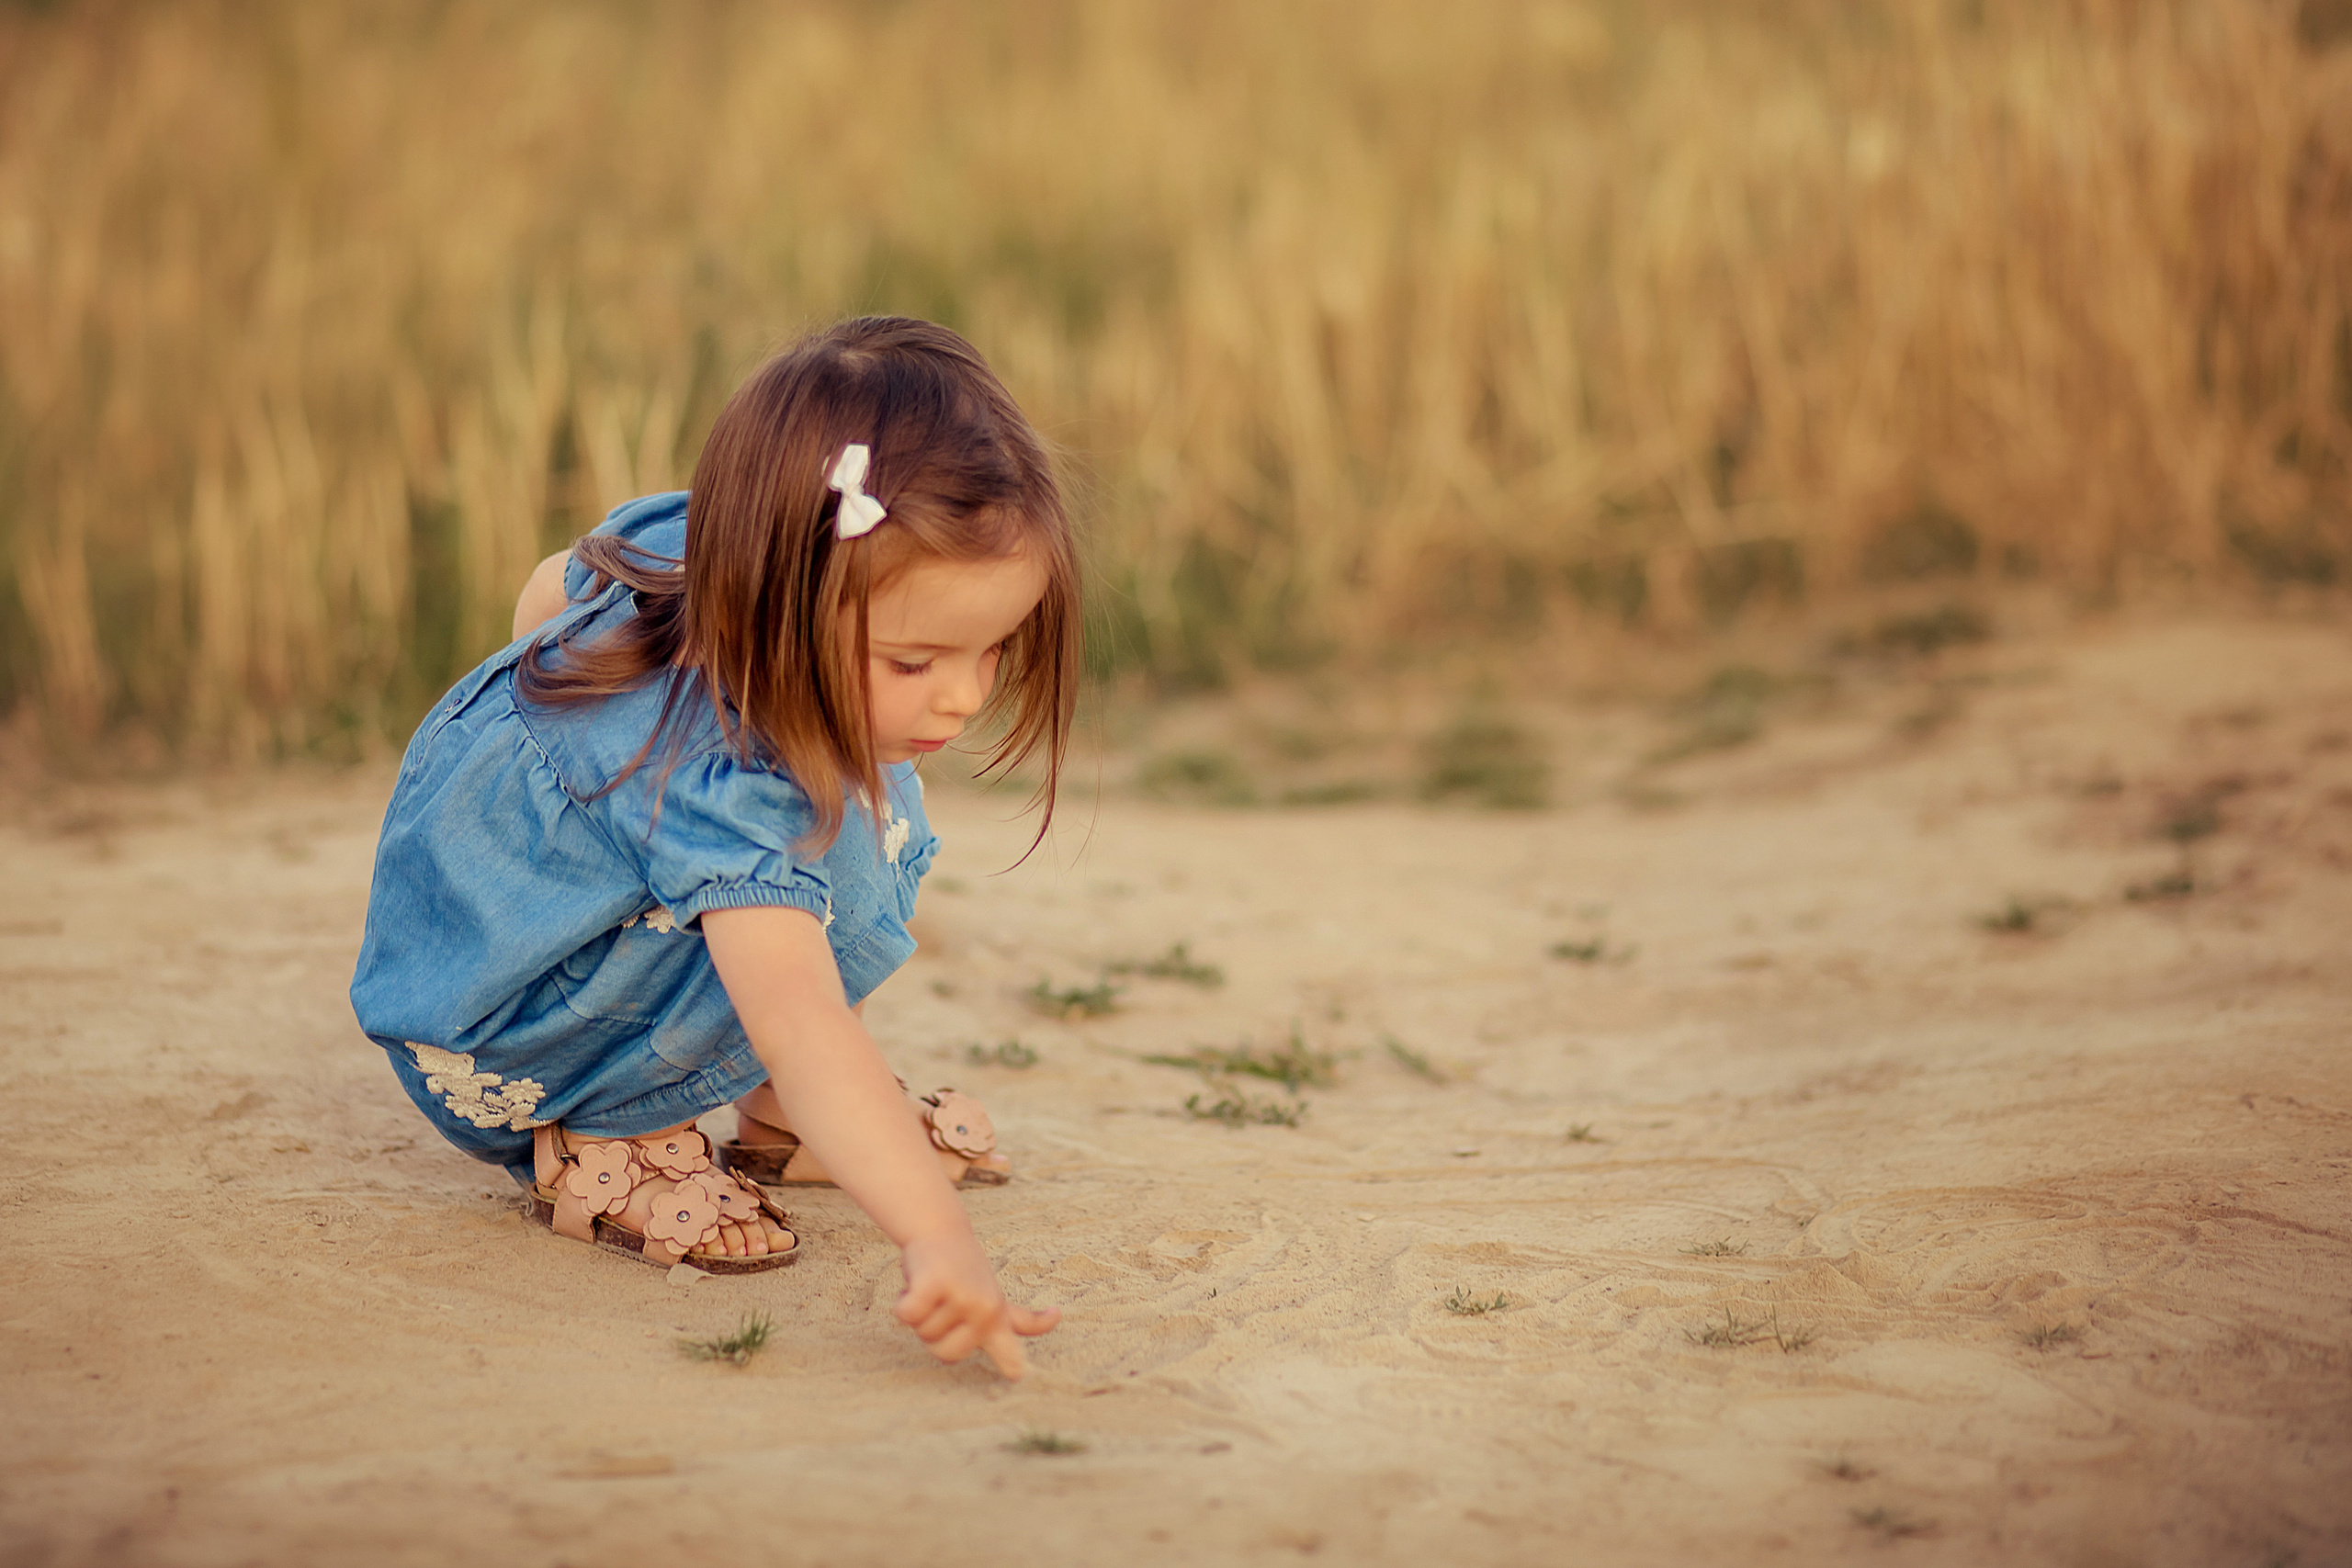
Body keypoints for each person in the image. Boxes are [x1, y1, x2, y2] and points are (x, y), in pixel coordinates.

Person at [350, 316, 1070, 1379]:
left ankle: (787, 1124)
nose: (964, 697)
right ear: (781, 593)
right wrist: (934, 1236)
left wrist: (534, 754)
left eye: (992, 648)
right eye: (916, 659)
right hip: (507, 1021)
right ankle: (605, 1131)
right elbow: (797, 1015)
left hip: (551, 933)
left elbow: (556, 583)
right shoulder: (712, 780)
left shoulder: (717, 544)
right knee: (793, 865)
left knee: (855, 793)